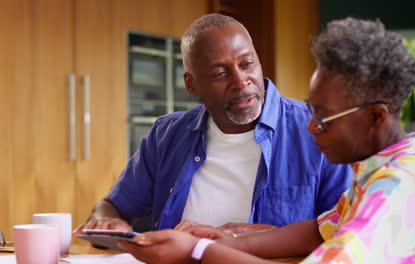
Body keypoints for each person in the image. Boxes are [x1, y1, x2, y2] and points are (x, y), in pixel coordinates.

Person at [119, 17, 415, 263]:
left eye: (322, 117)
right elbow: (320, 230)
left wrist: (196, 251)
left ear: (374, 116)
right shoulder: (386, 173)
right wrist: (230, 239)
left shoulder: (397, 191)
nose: (310, 127)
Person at [73, 14, 352, 236]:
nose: (241, 82)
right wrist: (106, 222)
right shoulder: (167, 135)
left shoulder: (316, 130)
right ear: (192, 84)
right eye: (220, 73)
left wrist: (257, 239)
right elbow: (113, 207)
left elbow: (350, 233)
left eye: (247, 64)